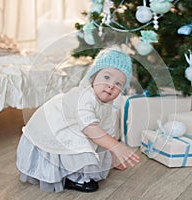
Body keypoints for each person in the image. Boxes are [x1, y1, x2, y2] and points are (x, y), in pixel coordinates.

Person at [16, 47, 140, 193]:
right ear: (93, 77)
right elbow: (90, 128)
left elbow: (106, 130)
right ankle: (73, 175)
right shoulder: (84, 97)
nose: (111, 85)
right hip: (52, 128)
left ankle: (76, 169)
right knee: (82, 139)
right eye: (106, 77)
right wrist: (116, 146)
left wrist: (114, 157)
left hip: (75, 126)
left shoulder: (106, 104)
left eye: (118, 84)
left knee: (100, 137)